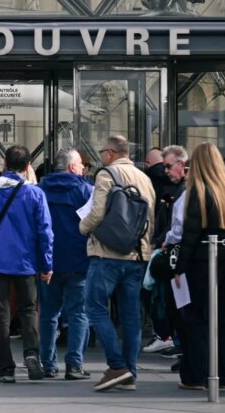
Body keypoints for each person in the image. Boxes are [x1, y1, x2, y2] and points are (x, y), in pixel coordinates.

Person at [0, 145, 53, 384]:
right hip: (26, 262)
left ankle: (6, 367)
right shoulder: (36, 194)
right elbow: (46, 232)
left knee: (0, 313)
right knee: (28, 309)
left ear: (4, 164)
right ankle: (31, 353)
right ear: (27, 167)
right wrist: (47, 263)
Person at [79, 135, 155, 392]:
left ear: (111, 153)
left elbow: (97, 212)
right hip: (137, 256)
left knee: (95, 307)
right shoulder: (145, 178)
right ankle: (130, 374)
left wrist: (82, 226)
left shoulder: (107, 174)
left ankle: (116, 365)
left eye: (102, 151)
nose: (101, 156)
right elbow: (151, 219)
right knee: (131, 316)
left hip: (107, 254)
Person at [174, 142, 225, 391]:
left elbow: (190, 234)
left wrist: (180, 268)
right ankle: (223, 375)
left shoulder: (199, 191)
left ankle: (197, 375)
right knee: (222, 320)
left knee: (197, 319)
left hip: (202, 261)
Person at [37, 148, 93, 380]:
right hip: (79, 262)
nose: (82, 168)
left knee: (49, 314)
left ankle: (48, 364)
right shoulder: (86, 191)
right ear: (72, 167)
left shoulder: (39, 191)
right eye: (80, 164)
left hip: (47, 263)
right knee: (78, 313)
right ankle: (74, 365)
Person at [144, 145, 188, 355]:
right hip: (178, 251)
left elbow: (178, 226)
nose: (166, 171)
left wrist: (165, 240)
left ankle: (179, 344)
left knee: (176, 303)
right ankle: (180, 345)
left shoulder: (185, 190)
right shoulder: (180, 188)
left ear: (182, 164)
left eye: (168, 166)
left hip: (179, 253)